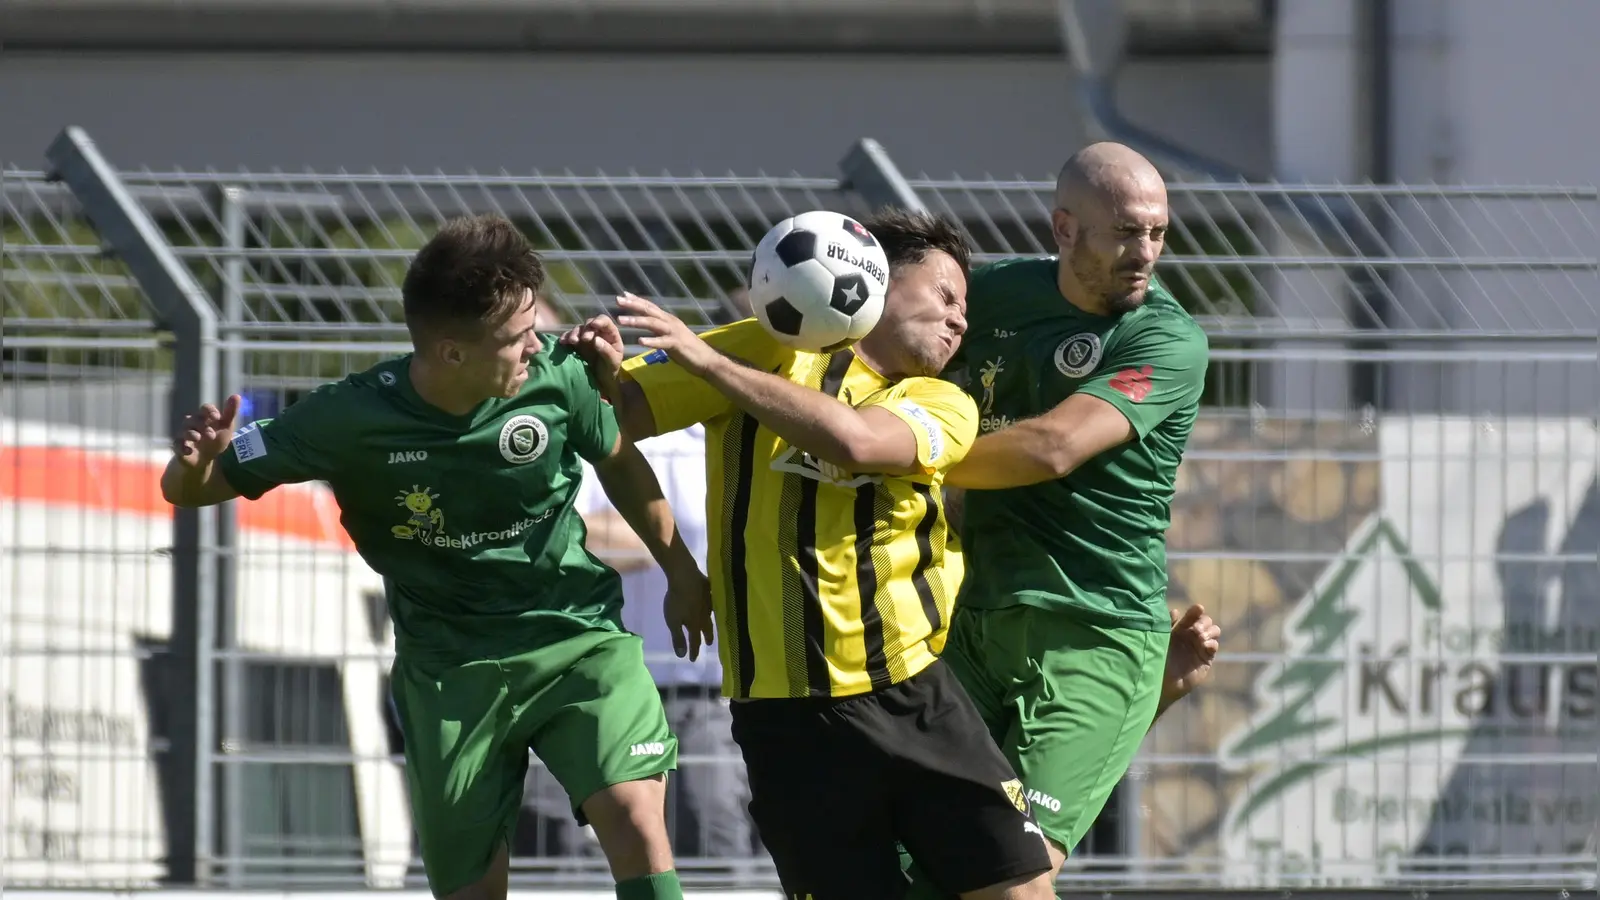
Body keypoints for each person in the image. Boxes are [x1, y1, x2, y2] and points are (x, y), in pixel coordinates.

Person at [159, 213, 705, 900]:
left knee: (634, 820)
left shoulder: (559, 378)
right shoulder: (345, 419)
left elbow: (620, 462)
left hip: (578, 640)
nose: (537, 347)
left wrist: (684, 575)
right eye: (517, 338)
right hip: (450, 670)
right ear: (451, 352)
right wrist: (195, 462)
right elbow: (195, 487)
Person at [564, 209, 1059, 900]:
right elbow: (615, 419)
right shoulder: (760, 346)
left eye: (964, 309)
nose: (960, 322)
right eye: (946, 296)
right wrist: (598, 369)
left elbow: (857, 442)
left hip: (910, 694)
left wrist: (707, 361)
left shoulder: (941, 400)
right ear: (873, 278)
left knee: (1022, 891)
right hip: (784, 717)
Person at [906, 140, 1216, 894]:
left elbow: (1052, 448)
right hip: (973, 623)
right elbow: (893, 349)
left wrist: (892, 455)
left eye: (1158, 233)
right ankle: (1155, 691)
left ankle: (1144, 688)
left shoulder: (1168, 338)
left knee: (1011, 878)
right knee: (914, 869)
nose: (1145, 252)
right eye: (1125, 232)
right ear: (1065, 229)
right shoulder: (993, 298)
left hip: (1096, 630)